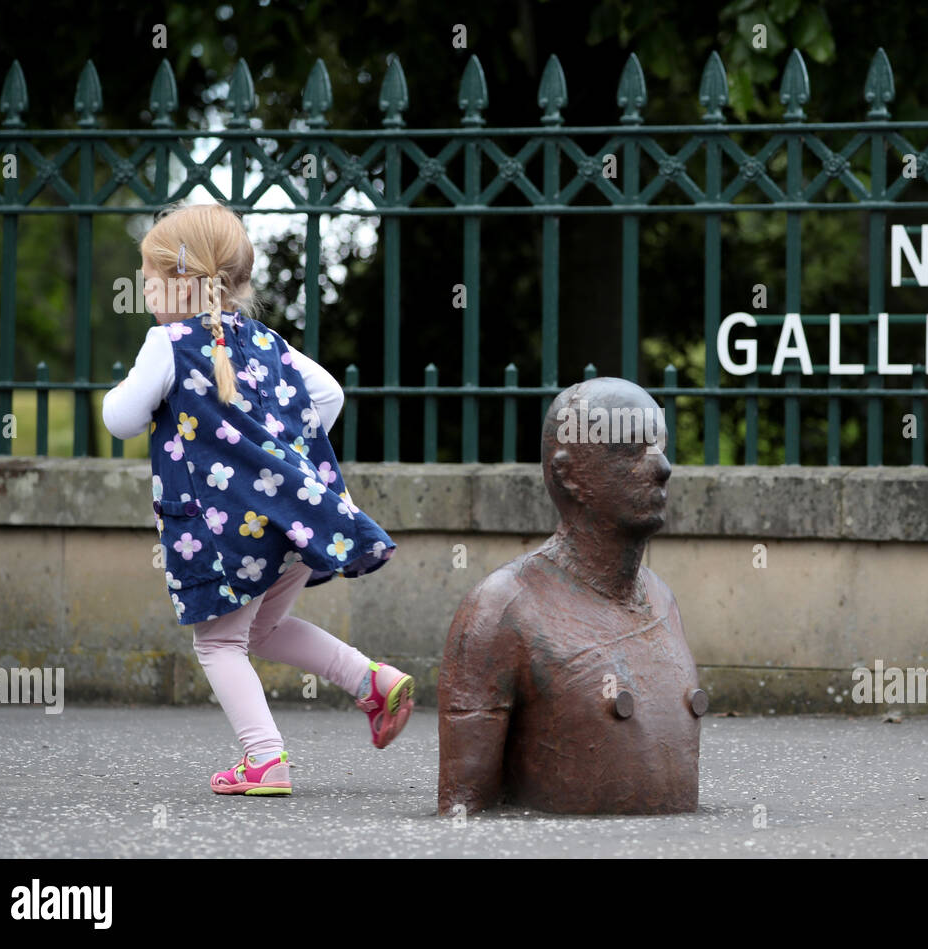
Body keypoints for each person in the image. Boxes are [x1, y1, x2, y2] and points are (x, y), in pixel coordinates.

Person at [102, 202, 413, 796]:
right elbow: (329, 397)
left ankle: (265, 760)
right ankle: (372, 682)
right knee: (264, 631)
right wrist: (273, 451)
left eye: (148, 281)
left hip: (226, 537)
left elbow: (121, 418)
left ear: (182, 281)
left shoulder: (167, 345)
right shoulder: (268, 344)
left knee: (219, 642)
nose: (144, 293)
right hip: (293, 523)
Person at [437, 377, 705, 815]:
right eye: (631, 449)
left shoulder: (663, 600)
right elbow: (463, 813)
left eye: (659, 445)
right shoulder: (502, 610)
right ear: (569, 474)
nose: (662, 467)